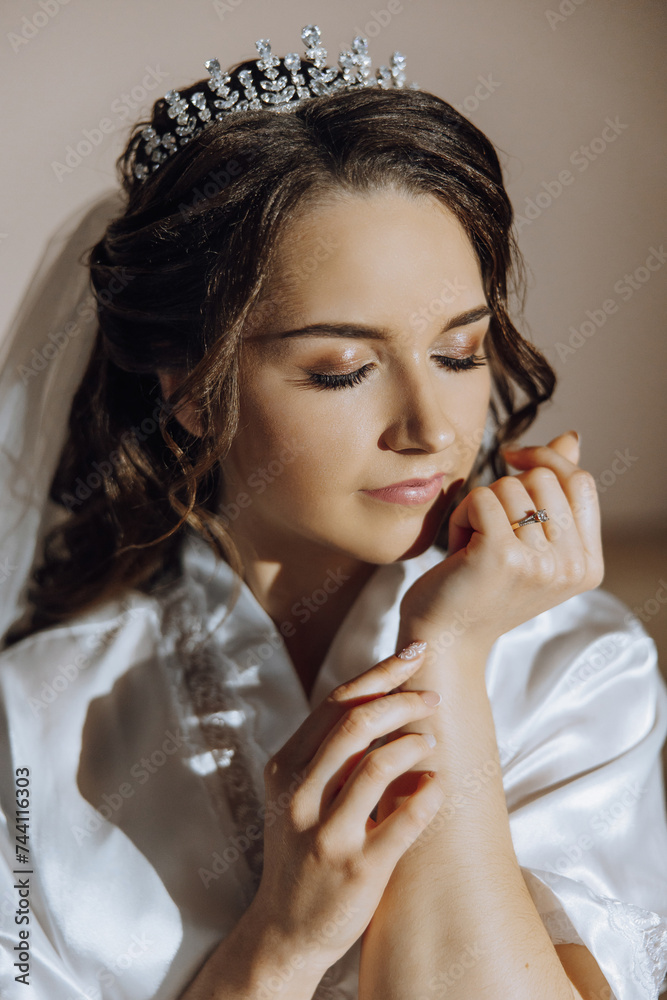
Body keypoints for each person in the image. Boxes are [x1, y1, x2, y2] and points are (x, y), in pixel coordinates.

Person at [0, 22, 665, 1000]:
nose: (431, 429)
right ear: (190, 384)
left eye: (459, 353)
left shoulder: (577, 662)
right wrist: (280, 940)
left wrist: (445, 655)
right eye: (341, 369)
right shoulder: (32, 724)